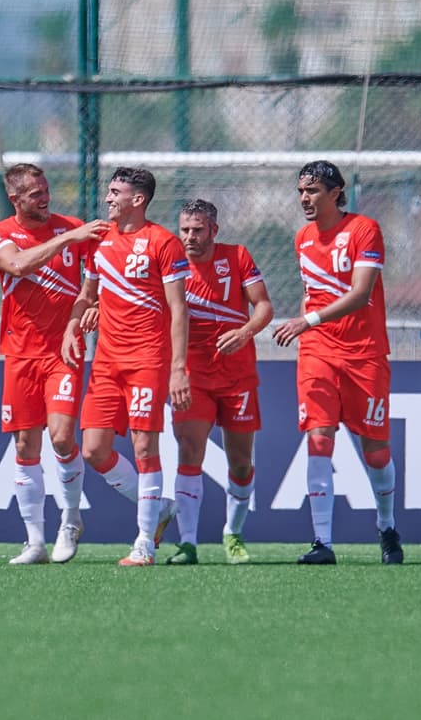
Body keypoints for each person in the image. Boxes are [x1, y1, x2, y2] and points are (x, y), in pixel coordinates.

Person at [273, 160, 403, 565]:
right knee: (318, 437)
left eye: (312, 190)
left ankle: (386, 527)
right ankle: (322, 543)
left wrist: (305, 320)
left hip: (364, 353)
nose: (304, 199)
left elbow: (362, 293)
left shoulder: (364, 230)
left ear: (335, 192)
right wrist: (307, 328)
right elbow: (313, 295)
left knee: (376, 452)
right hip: (317, 351)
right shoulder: (302, 238)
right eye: (300, 191)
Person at [62, 167, 191, 567]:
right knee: (94, 449)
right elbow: (87, 294)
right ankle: (161, 509)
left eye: (116, 192)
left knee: (143, 447)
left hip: (147, 360)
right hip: (106, 361)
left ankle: (144, 544)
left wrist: (178, 367)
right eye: (108, 191)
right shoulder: (98, 240)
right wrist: (72, 326)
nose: (108, 199)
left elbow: (178, 308)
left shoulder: (163, 242)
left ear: (139, 199)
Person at [0, 164, 104, 564]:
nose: (45, 197)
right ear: (15, 199)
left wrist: (92, 304)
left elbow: (99, 273)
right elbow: (17, 265)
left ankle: (70, 520)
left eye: (46, 189)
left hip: (63, 350)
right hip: (19, 353)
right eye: (35, 194)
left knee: (63, 437)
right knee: (24, 444)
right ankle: (34, 541)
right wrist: (69, 237)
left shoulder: (71, 226)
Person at [167, 199, 274, 566]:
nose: (190, 237)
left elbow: (263, 306)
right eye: (184, 230)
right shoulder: (171, 262)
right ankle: (188, 542)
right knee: (189, 452)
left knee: (241, 463)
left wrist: (245, 332)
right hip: (192, 376)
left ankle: (233, 532)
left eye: (198, 230)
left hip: (237, 376)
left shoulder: (237, 256)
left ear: (214, 229)